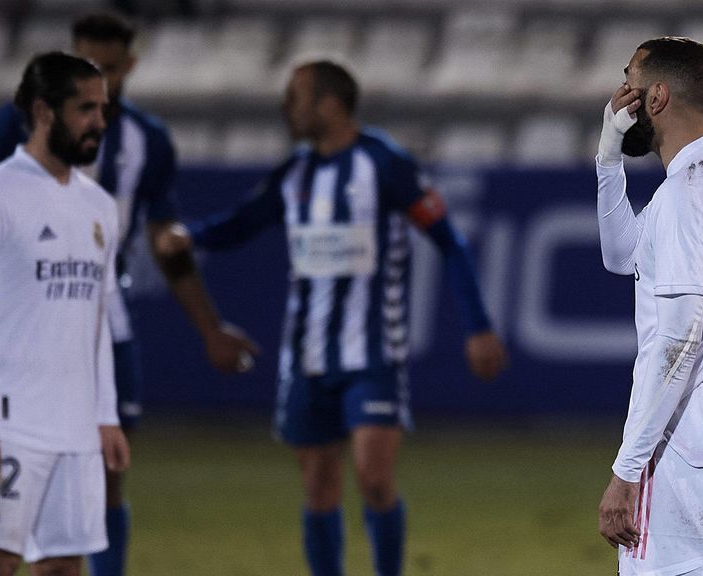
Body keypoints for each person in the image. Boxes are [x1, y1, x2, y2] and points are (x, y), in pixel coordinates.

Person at [0, 12, 258, 576]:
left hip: (99, 316)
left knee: (103, 479)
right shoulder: (16, 125)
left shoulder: (148, 142)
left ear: (130, 67)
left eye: (109, 71)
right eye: (87, 66)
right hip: (24, 334)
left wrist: (210, 328)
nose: (100, 83)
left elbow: (166, 245)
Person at [186, 60, 507, 576]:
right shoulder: (295, 172)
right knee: (318, 486)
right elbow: (240, 225)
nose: (286, 108)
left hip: (372, 354)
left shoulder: (385, 164)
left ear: (329, 104)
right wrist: (188, 236)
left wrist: (478, 326)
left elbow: (450, 241)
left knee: (374, 480)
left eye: (296, 96)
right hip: (305, 354)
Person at [0, 51, 129, 576]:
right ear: (45, 111)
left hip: (75, 428)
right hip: (8, 423)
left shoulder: (98, 207)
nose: (99, 122)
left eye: (104, 108)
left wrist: (106, 415)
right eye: (85, 109)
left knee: (64, 568)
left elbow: (98, 321)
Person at [594, 37, 703, 575]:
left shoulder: (686, 194)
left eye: (630, 80)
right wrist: (607, 159)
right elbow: (623, 254)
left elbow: (678, 344)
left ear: (657, 98)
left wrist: (627, 471)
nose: (619, 95)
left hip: (687, 446)